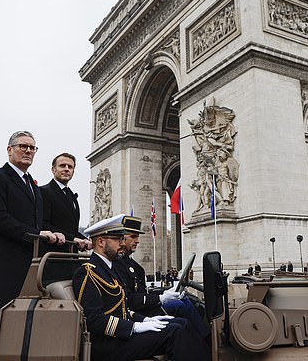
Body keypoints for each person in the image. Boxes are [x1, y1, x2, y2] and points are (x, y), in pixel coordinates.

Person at [0, 131, 65, 361]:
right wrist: (37, 233)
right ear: (9, 149)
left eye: (32, 148)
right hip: (2, 268)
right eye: (23, 146)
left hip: (29, 268)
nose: (28, 151)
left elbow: (38, 223)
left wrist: (50, 234)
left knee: (22, 329)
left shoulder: (33, 186)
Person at [74, 214, 210, 361]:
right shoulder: (87, 272)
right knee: (175, 332)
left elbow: (123, 309)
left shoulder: (109, 268)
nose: (121, 243)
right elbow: (93, 320)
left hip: (120, 335)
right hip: (108, 344)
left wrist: (144, 320)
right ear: (100, 242)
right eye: (117, 239)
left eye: (121, 239)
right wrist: (134, 327)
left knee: (181, 323)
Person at [113, 217, 210, 340]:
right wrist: (161, 298)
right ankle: (207, 339)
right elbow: (131, 299)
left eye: (137, 237)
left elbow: (143, 292)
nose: (137, 241)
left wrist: (166, 292)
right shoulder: (118, 264)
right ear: (122, 238)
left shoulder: (131, 263)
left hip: (145, 307)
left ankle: (201, 338)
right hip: (140, 312)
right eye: (133, 237)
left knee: (187, 300)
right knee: (181, 306)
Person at [40, 153, 92, 282]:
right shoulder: (43, 192)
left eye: (70, 167)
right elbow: (43, 224)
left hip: (72, 259)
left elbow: (71, 230)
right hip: (53, 260)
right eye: (62, 165)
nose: (66, 169)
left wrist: (85, 241)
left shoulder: (72, 197)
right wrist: (74, 239)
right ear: (53, 169)